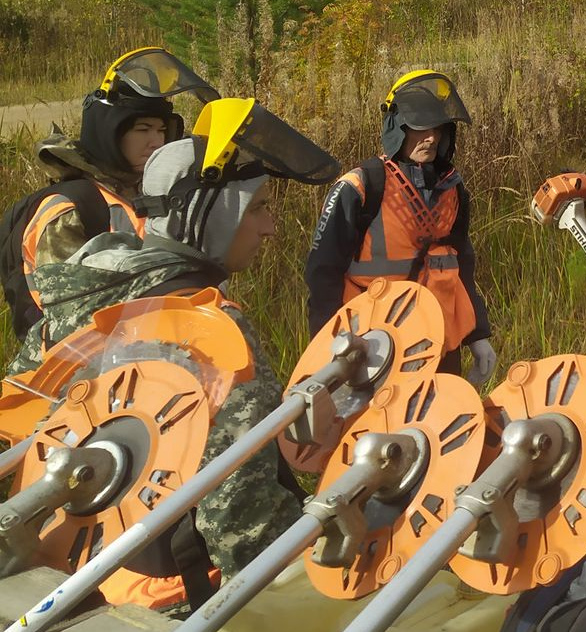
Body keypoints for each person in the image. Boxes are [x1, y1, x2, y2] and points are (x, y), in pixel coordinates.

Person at [14, 97, 340, 611]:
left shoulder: (77, 302)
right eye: (256, 208)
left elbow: (18, 426)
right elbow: (239, 518)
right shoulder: (211, 327)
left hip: (65, 583)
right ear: (208, 217)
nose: (270, 227)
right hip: (174, 596)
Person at [304, 70, 495, 384]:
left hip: (442, 347)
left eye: (437, 128)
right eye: (418, 128)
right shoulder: (362, 185)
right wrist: (326, 351)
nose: (431, 137)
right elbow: (322, 272)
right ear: (397, 128)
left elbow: (462, 266)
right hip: (375, 349)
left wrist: (477, 335)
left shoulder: (453, 190)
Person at [11, 48, 216, 324]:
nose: (156, 141)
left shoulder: (152, 193)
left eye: (162, 130)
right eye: (143, 130)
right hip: (75, 359)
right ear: (109, 133)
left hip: (150, 346)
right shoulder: (70, 209)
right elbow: (67, 311)